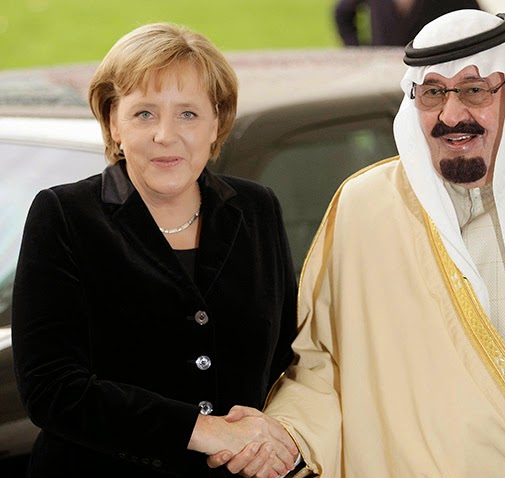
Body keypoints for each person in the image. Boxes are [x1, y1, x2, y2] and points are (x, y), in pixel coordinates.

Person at [212, 9, 505, 477]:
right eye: (433, 93)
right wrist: (286, 435)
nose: (451, 114)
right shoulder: (367, 210)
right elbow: (327, 370)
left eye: (474, 90)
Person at [11, 22, 299, 478]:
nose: (166, 134)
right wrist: (203, 430)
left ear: (216, 123)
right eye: (144, 113)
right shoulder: (64, 215)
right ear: (113, 122)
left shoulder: (256, 208)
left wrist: (277, 437)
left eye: (188, 114)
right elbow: (53, 388)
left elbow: (288, 358)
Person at [333, 0, 482, 47]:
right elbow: (342, 13)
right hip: (383, 68)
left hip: (428, 68)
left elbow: (477, 21)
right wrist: (359, 49)